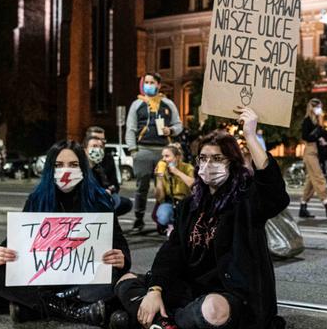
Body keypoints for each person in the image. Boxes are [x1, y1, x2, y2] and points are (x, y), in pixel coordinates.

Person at [110, 107, 289, 329]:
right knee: (126, 280)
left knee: (213, 310)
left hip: (231, 295)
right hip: (189, 289)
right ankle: (165, 322)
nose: (208, 165)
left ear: (231, 163)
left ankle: (158, 321)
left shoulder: (246, 200)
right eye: (203, 158)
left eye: (217, 158)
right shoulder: (190, 204)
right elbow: (171, 251)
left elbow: (274, 194)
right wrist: (155, 290)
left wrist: (250, 136)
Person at [0, 140, 132, 325]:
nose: (66, 171)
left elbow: (119, 243)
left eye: (73, 165)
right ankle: (72, 310)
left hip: (84, 278)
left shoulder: (99, 199)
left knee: (115, 277)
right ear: (50, 169)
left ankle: (34, 307)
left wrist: (121, 259)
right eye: (58, 165)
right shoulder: (37, 199)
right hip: (46, 278)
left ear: (83, 168)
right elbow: (17, 241)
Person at [125, 72, 183, 232]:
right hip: (143, 150)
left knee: (164, 187)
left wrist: (170, 130)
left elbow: (179, 125)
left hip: (162, 152)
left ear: (158, 85)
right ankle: (138, 220)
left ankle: (162, 222)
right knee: (141, 187)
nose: (148, 85)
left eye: (152, 82)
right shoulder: (137, 104)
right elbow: (130, 128)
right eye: (146, 82)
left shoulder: (168, 104)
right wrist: (133, 150)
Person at [298, 98, 327, 218]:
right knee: (319, 178)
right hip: (310, 152)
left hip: (315, 152)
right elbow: (305, 136)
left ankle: (303, 207)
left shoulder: (316, 121)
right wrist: (318, 137)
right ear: (313, 107)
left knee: (311, 182)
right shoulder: (307, 121)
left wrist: (323, 140)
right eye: (318, 107)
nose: (320, 110)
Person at [84, 132, 133, 217]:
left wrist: (110, 189)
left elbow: (114, 184)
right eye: (94, 146)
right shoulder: (80, 167)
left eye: (100, 146)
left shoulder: (100, 167)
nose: (98, 149)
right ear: (85, 149)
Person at [153, 144, 194, 234]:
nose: (163, 159)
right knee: (163, 218)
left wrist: (177, 172)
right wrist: (159, 178)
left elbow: (194, 185)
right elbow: (160, 198)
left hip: (185, 200)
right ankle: (172, 224)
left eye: (167, 156)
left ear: (177, 157)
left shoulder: (187, 167)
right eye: (162, 156)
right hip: (170, 201)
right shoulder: (163, 170)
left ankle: (179, 225)